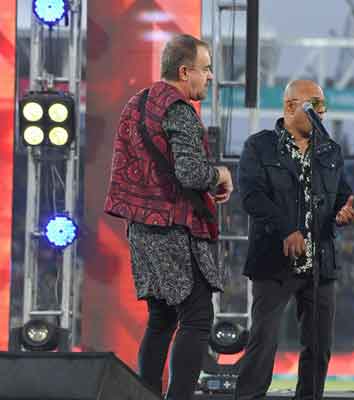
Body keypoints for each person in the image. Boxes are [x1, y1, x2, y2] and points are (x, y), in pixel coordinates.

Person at [104, 34, 233, 399]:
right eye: (206, 69)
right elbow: (190, 173)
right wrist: (219, 174)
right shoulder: (179, 110)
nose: (210, 76)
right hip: (173, 228)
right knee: (197, 318)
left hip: (141, 228)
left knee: (161, 319)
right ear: (184, 71)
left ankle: (146, 394)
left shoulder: (138, 102)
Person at [235, 79, 354, 400]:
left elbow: (342, 195)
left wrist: (344, 210)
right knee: (263, 341)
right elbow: (251, 196)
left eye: (323, 104)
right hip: (274, 261)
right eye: (315, 104)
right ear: (290, 106)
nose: (322, 111)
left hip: (321, 263)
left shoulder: (330, 150)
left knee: (319, 346)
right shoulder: (259, 146)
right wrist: (287, 229)